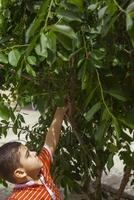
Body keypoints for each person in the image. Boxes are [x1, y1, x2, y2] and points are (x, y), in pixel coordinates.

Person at [0, 98, 71, 200]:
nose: (34, 153)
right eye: (28, 155)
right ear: (20, 173)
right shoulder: (19, 198)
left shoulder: (41, 170)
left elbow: (50, 142)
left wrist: (60, 111)